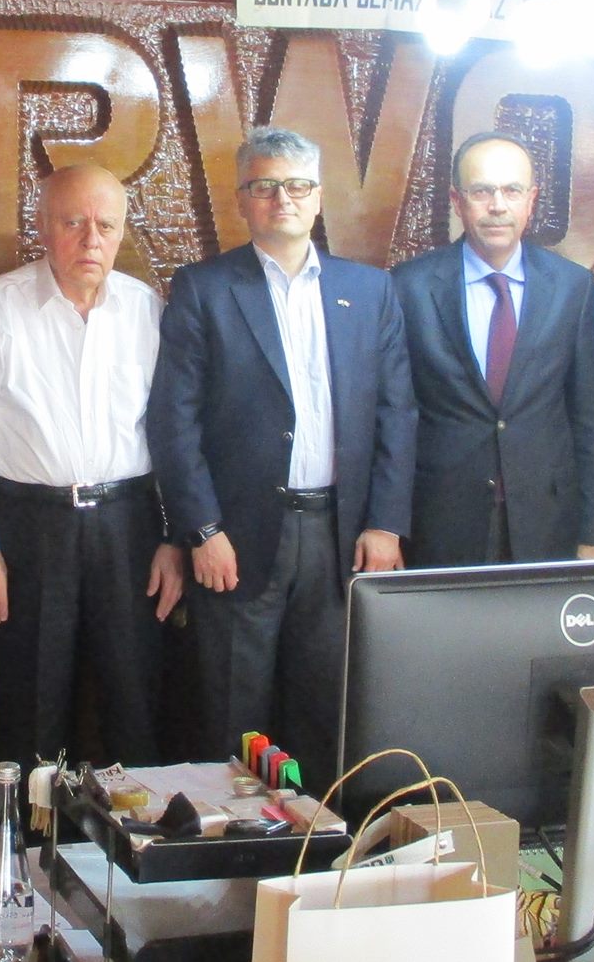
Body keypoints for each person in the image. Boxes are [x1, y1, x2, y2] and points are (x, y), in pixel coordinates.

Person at [147, 125, 415, 792]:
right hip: (237, 538)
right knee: (232, 714)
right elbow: (173, 421)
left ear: (318, 196)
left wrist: (385, 522)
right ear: (243, 198)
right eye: (265, 186)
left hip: (340, 536)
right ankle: (233, 846)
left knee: (323, 711)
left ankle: (314, 843)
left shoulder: (370, 291)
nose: (282, 199)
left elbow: (397, 413)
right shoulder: (205, 288)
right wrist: (202, 530)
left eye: (297, 186)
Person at [0, 163, 184, 771]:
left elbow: (170, 433)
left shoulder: (146, 310)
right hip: (30, 529)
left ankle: (132, 833)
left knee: (136, 708)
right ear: (43, 226)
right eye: (73, 222)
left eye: (105, 225)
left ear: (122, 230)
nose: (91, 240)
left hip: (129, 528)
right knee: (31, 713)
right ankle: (32, 835)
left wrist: (173, 538)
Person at [390, 131, 594, 565]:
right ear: (457, 200)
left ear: (531, 200)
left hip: (546, 516)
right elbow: (394, 414)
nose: (497, 205)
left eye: (512, 190)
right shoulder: (408, 286)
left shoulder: (572, 286)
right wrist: (387, 523)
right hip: (440, 516)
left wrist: (592, 532)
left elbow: (587, 417)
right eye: (482, 191)